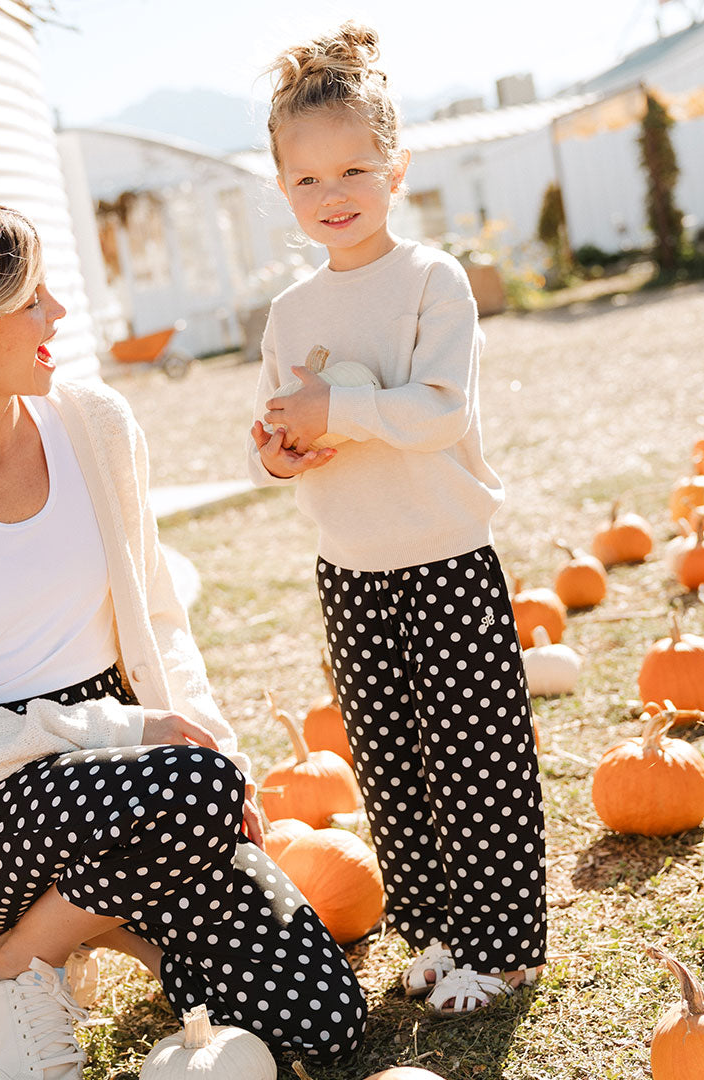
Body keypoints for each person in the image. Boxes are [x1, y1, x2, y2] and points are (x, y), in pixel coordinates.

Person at [0, 187, 366, 1079]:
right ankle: (12, 963)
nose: (58, 313)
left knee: (321, 1020)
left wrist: (209, 746)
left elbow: (158, 617)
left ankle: (107, 929)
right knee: (188, 792)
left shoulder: (96, 426)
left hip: (134, 779)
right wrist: (136, 740)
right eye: (29, 298)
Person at [247, 23, 547, 1015]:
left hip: (445, 558)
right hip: (351, 567)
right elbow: (278, 427)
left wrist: (340, 409)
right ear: (282, 186)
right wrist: (280, 451)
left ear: (397, 168)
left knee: (475, 762)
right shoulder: (289, 313)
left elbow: (439, 411)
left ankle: (503, 949)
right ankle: (437, 930)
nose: (332, 195)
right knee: (392, 764)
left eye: (354, 171)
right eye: (307, 179)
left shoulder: (431, 280)